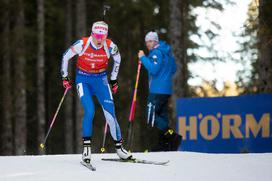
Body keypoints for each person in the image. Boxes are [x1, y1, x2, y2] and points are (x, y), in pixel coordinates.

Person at [61, 21, 132, 164]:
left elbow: (118, 59)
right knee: (90, 110)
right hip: (83, 80)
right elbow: (65, 56)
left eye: (103, 35)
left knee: (110, 114)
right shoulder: (82, 43)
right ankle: (86, 149)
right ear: (92, 34)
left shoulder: (110, 46)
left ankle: (119, 148)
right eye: (97, 35)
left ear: (106, 35)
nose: (100, 39)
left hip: (101, 80)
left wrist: (113, 79)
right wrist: (64, 76)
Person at [138, 31, 182, 151]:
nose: (148, 44)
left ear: (156, 41)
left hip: (157, 90)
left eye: (150, 41)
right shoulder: (167, 53)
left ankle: (172, 136)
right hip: (166, 90)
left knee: (150, 115)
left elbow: (154, 69)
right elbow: (173, 69)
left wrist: (143, 58)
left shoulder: (156, 53)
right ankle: (164, 144)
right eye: (147, 41)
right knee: (161, 116)